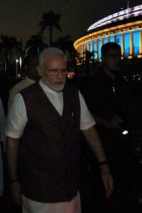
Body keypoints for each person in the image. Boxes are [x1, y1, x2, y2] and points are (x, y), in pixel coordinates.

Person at [5, 47, 113, 213]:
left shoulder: (74, 95)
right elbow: (12, 141)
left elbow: (89, 130)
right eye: (53, 71)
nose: (60, 76)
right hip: (38, 193)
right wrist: (13, 180)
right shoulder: (24, 98)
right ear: (40, 71)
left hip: (71, 189)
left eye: (63, 70)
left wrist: (103, 164)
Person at [84, 42, 140, 213]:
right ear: (103, 59)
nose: (117, 60)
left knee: (123, 183)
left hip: (122, 142)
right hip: (102, 143)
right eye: (112, 56)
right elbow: (83, 113)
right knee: (103, 187)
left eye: (119, 56)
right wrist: (105, 122)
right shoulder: (94, 84)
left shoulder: (121, 81)